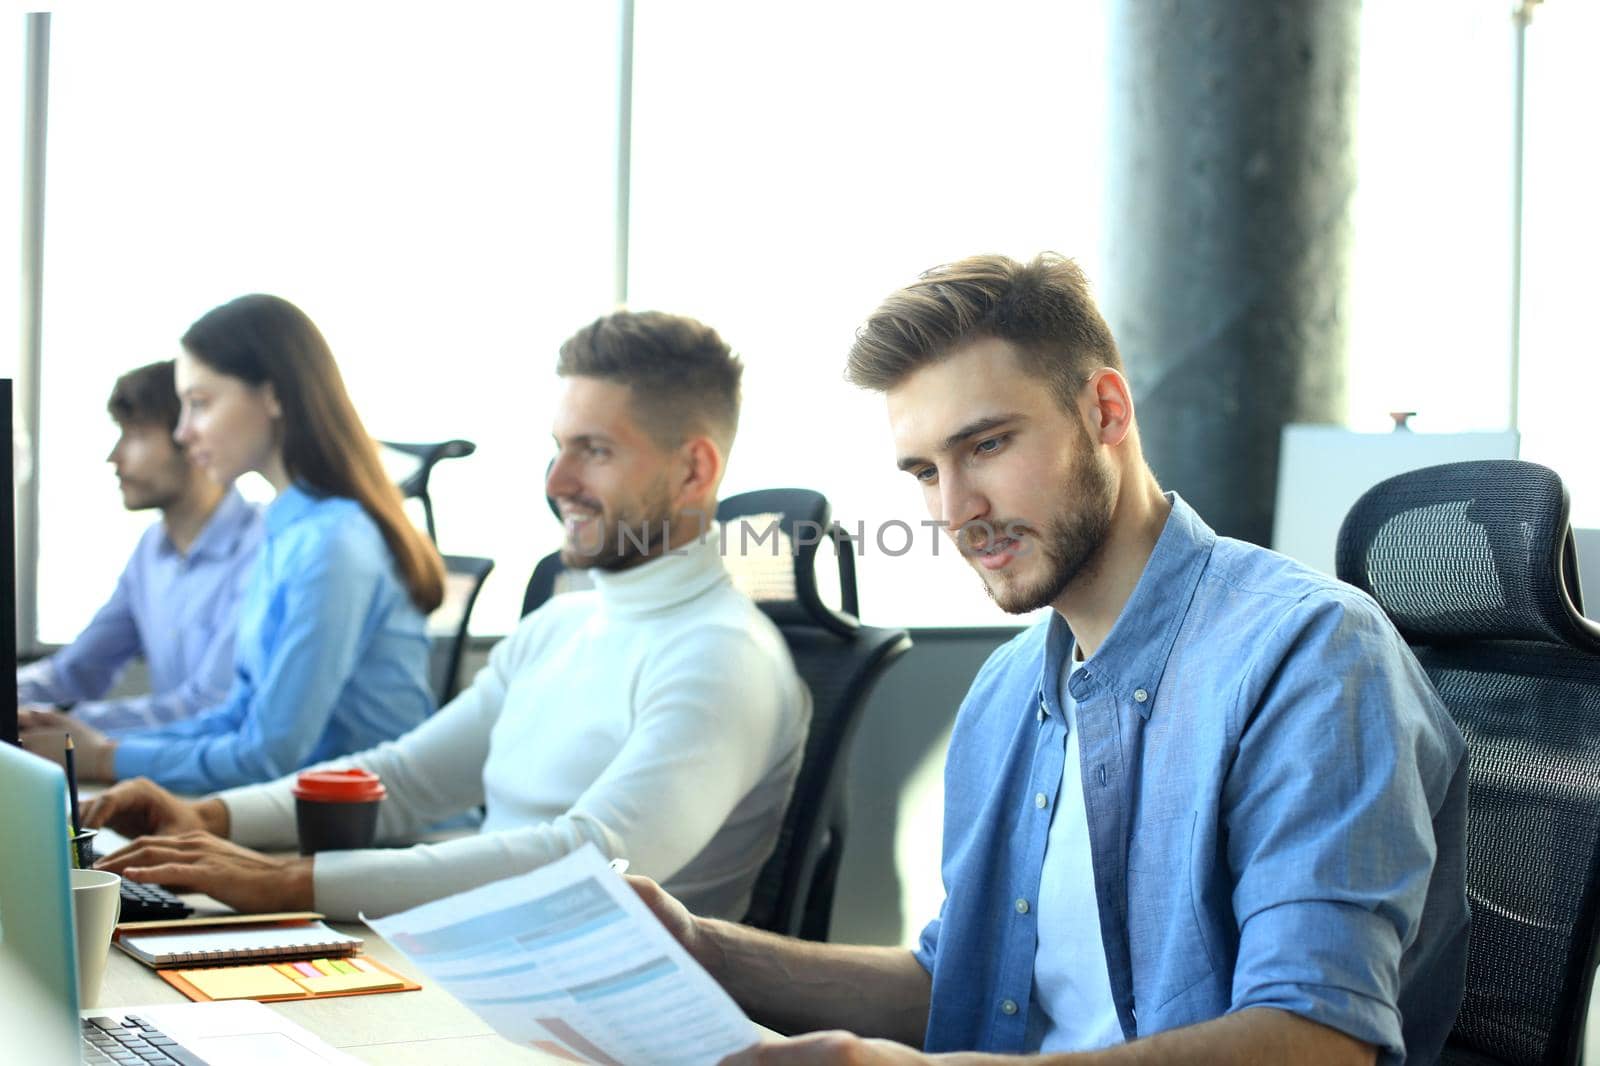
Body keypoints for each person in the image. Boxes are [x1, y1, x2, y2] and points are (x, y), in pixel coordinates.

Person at [628, 254, 1470, 1065]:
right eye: (925, 470)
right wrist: (698, 947)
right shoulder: (1006, 691)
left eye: (987, 445)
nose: (956, 510)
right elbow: (956, 980)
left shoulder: (1309, 655)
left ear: (1105, 410)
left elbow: (1316, 1044)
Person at [86, 309, 811, 923]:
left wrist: (282, 883)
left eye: (595, 451)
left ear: (694, 471)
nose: (556, 484)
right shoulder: (557, 628)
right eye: (558, 449)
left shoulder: (724, 656)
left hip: (605, 1031)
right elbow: (403, 778)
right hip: (482, 971)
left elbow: (586, 857)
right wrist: (210, 818)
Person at [22, 295, 443, 793]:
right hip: (311, 813)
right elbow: (239, 714)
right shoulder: (286, 531)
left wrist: (105, 756)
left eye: (200, 404)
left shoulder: (332, 544)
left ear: (273, 395)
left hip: (376, 827)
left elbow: (269, 752)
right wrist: (90, 742)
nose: (184, 431)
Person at [17, 360, 262, 732]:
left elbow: (210, 705)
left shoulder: (261, 546)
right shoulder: (152, 551)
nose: (113, 457)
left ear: (191, 437)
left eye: (134, 435)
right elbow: (77, 671)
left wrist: (58, 722)